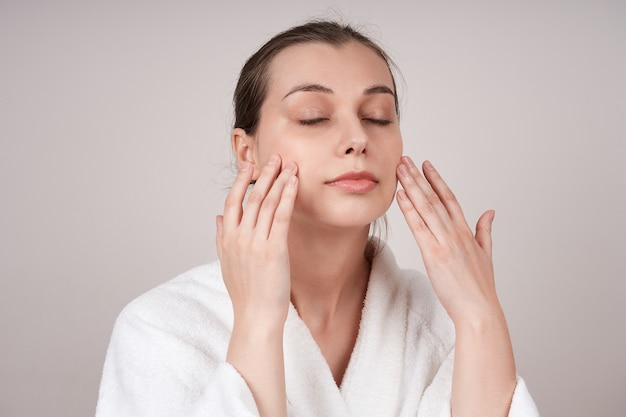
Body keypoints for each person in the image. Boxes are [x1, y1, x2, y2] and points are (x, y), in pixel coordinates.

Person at [96, 20, 539, 417]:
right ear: (246, 151)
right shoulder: (162, 328)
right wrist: (257, 321)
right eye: (313, 118)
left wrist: (481, 315)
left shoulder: (442, 318)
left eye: (377, 117)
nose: (357, 138)